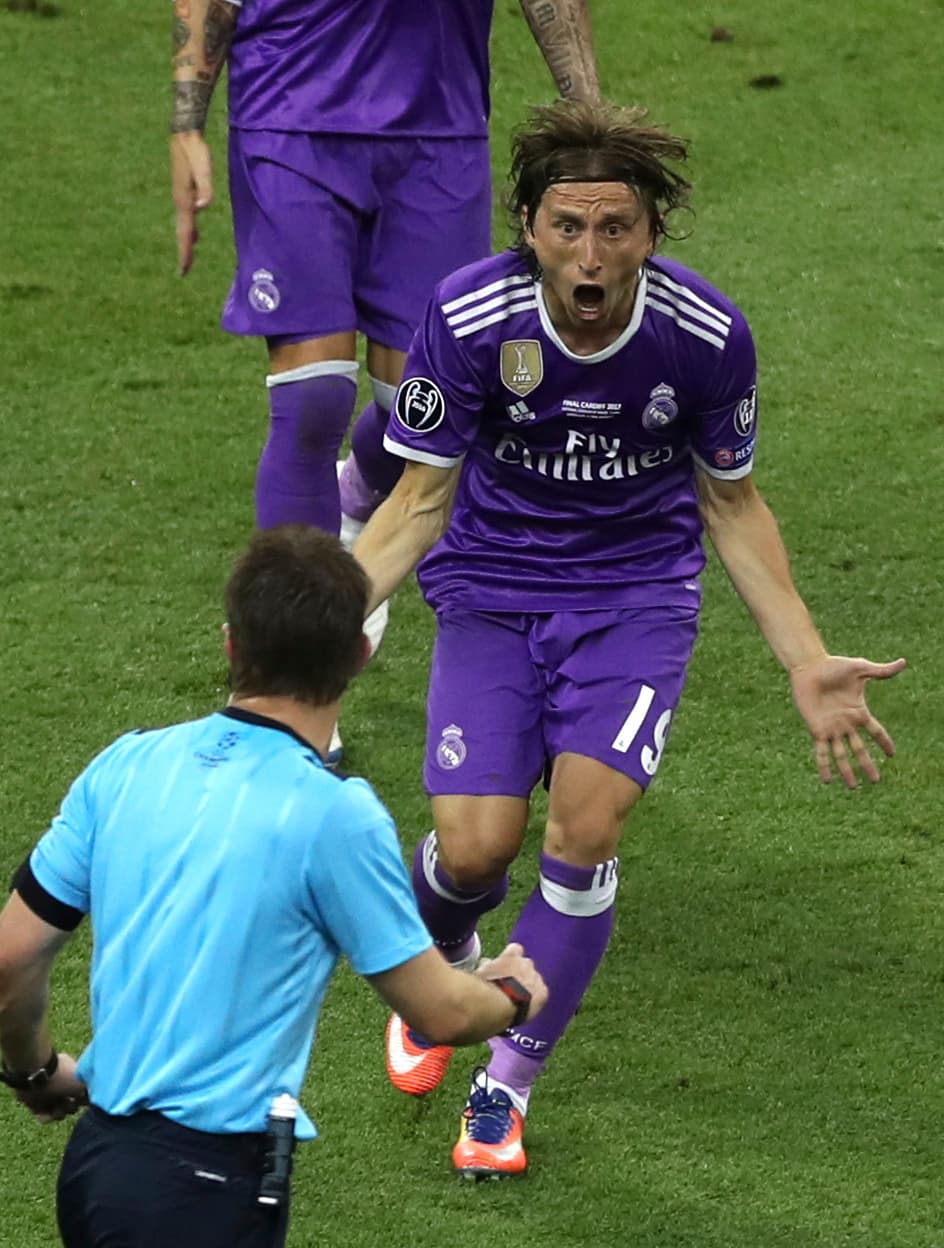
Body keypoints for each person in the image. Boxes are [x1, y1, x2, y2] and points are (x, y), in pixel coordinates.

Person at [351, 99, 907, 1178]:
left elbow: (732, 506)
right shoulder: (468, 319)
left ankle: (503, 1086)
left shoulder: (702, 336)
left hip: (632, 596)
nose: (590, 253)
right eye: (567, 227)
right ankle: (442, 964)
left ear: (650, 233)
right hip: (493, 587)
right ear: (526, 225)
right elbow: (418, 500)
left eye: (615, 228)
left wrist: (804, 659)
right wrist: (321, 635)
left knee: (584, 832)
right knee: (471, 851)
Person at [0, 526, 547, 1247]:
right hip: (207, 1190)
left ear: (232, 644)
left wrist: (37, 1074)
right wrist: (511, 993)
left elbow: (11, 961)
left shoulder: (124, 768)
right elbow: (440, 1013)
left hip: (96, 1169)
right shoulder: (333, 815)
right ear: (359, 654)